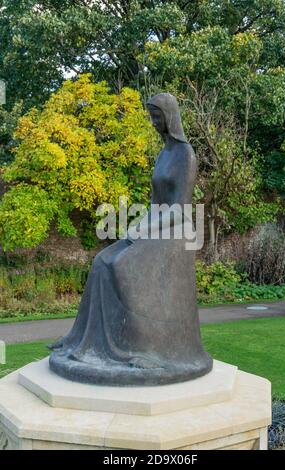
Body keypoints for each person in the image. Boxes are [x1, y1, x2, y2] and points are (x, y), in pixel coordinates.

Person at [49, 93, 213, 385]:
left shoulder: (185, 154)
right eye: (151, 116)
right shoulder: (163, 154)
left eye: (157, 117)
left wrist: (144, 230)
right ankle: (84, 342)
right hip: (157, 225)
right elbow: (154, 203)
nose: (153, 122)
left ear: (170, 117)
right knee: (101, 260)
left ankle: (142, 347)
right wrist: (138, 225)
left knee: (122, 265)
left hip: (176, 231)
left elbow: (181, 209)